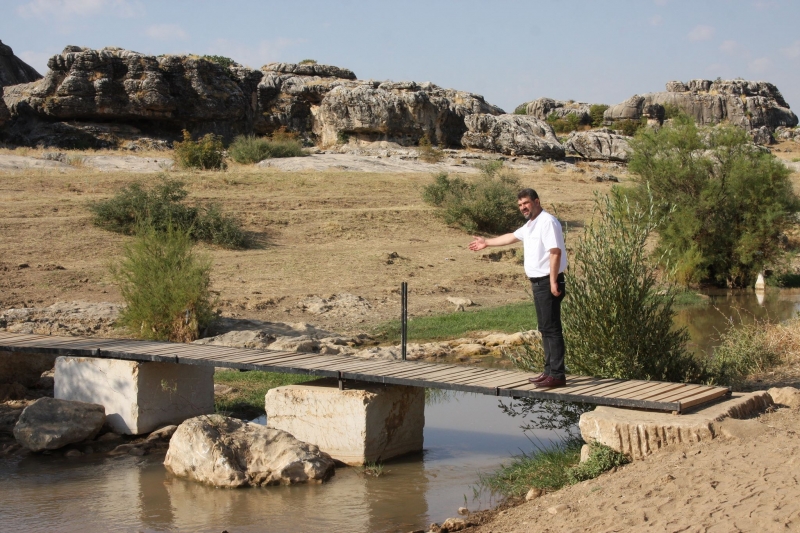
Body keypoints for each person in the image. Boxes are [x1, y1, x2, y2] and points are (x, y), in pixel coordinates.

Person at [468, 188, 567, 388]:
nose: (523, 207)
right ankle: (548, 371)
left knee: (552, 328)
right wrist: (487, 243)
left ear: (536, 201)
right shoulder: (531, 224)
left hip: (548, 280)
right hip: (538, 282)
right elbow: (511, 237)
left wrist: (553, 281)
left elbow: (555, 252)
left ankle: (557, 375)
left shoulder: (547, 221)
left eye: (526, 203)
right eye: (520, 205)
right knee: (545, 328)